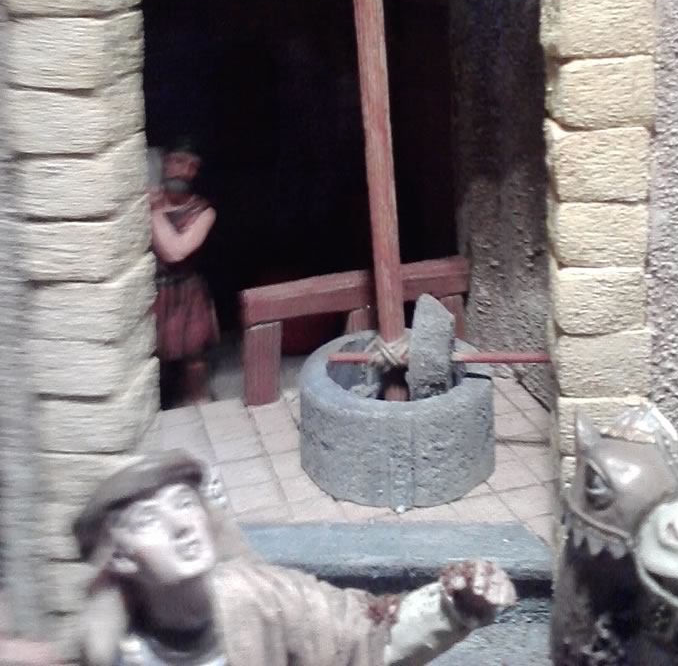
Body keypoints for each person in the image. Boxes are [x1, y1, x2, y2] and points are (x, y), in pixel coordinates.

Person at [73, 451, 517, 666]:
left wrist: (454, 604)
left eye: (185, 504)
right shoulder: (113, 650)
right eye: (149, 519)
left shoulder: (263, 597)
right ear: (122, 557)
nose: (181, 526)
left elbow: (363, 635)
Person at [149, 142, 219, 405]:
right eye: (179, 161)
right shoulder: (141, 203)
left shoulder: (203, 211)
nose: (185, 171)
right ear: (165, 162)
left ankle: (200, 401)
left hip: (187, 293)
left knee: (194, 355)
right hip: (154, 292)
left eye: (192, 166)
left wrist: (155, 212)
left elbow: (176, 251)